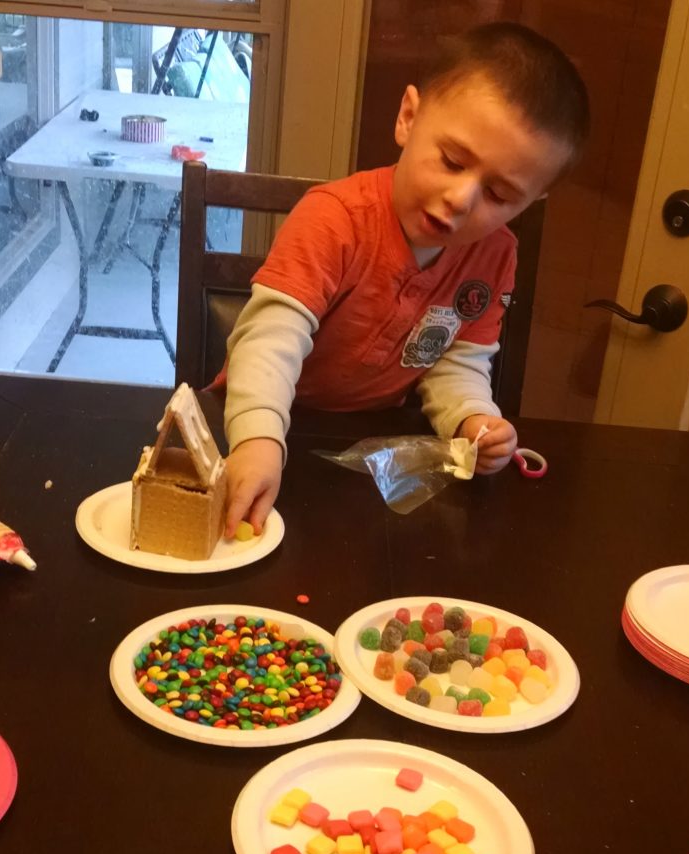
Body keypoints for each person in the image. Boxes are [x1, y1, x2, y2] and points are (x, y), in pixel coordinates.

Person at [215, 22, 589, 536]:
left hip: (368, 449)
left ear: (532, 201)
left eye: (501, 195)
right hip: (256, 427)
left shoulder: (497, 255)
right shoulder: (335, 218)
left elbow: (454, 359)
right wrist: (257, 439)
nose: (461, 199)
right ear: (409, 118)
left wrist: (473, 419)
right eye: (452, 161)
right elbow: (270, 339)